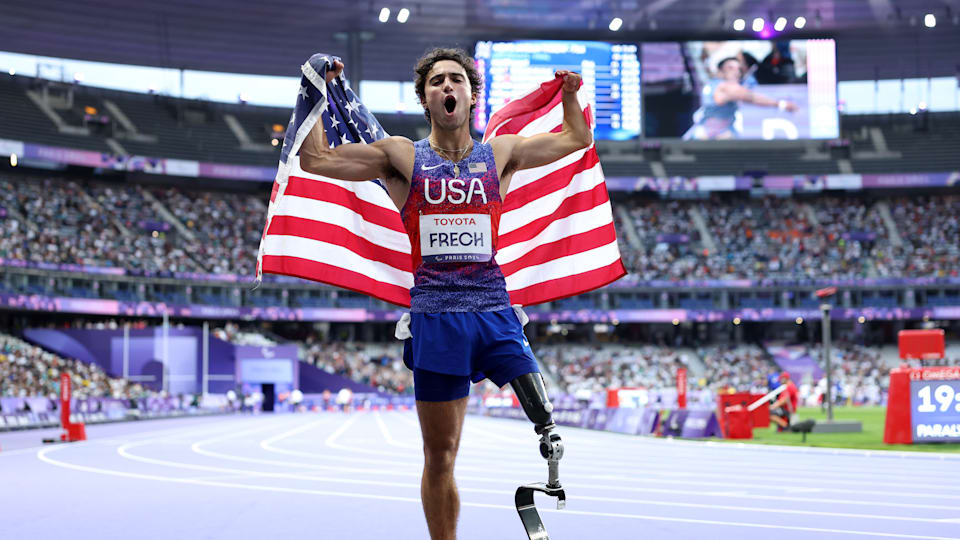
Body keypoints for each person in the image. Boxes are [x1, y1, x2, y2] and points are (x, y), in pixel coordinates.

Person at [299, 47, 590, 540]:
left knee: (549, 428)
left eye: (457, 79)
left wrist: (568, 94)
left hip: (495, 310)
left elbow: (577, 138)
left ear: (472, 96)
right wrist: (315, 89)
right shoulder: (401, 157)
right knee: (440, 455)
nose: (448, 87)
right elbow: (316, 159)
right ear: (426, 99)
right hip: (436, 317)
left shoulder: (501, 153)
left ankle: (549, 467)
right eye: (437, 82)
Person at [684, 56, 798, 140]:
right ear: (720, 72)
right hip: (712, 136)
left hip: (714, 132)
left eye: (739, 69)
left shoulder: (712, 84)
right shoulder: (724, 86)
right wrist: (781, 104)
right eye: (730, 68)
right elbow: (751, 97)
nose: (736, 72)